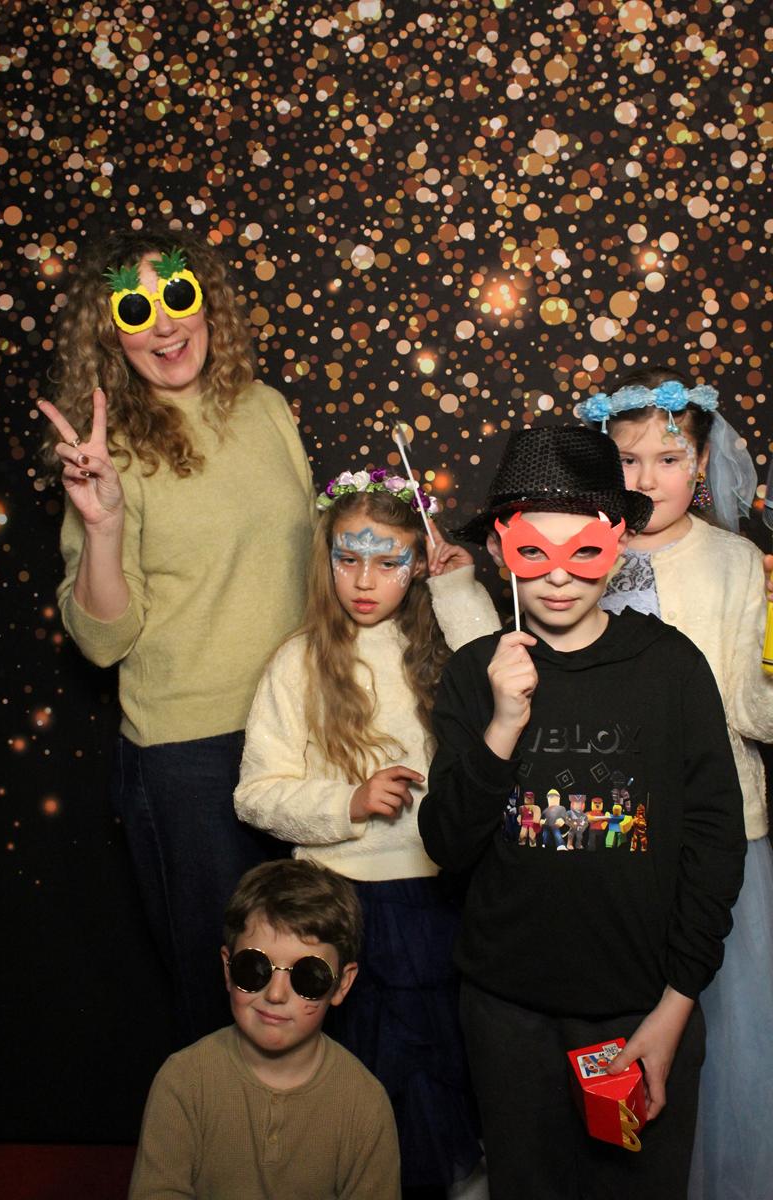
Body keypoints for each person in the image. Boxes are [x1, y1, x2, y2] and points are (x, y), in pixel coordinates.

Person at [418, 425, 747, 1200]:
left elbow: (714, 842)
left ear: (619, 543)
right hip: (509, 1016)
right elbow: (446, 842)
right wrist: (503, 724)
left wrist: (674, 1008)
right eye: (536, 552)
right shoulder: (474, 673)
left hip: (639, 1014)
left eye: (585, 552)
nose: (560, 577)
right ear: (500, 549)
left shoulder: (670, 668)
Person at [38, 228, 315, 1044]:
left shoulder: (264, 408)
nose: (163, 324)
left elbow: (306, 559)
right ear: (110, 334)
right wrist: (103, 525)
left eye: (178, 297)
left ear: (208, 304)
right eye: (135, 309)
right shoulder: (109, 453)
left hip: (300, 733)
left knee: (312, 980)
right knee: (227, 997)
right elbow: (102, 641)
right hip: (191, 757)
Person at [234, 467, 496, 1198]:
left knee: (437, 1070)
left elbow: (502, 677)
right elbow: (255, 794)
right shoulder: (297, 662)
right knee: (360, 1072)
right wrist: (348, 801)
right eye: (347, 558)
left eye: (388, 561)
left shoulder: (439, 649)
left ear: (417, 563)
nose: (364, 580)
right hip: (340, 904)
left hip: (437, 897)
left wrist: (457, 586)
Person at [579, 369, 773, 1200]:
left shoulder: (736, 561)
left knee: (724, 1043)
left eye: (668, 458)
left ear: (700, 464)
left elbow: (752, 712)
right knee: (618, 1034)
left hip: (716, 832)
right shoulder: (577, 553)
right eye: (628, 460)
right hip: (611, 831)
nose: (648, 478)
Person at [128, 858, 401, 1200]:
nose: (275, 994)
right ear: (228, 969)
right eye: (254, 968)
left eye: (308, 976)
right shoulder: (183, 1081)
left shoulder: (365, 1104)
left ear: (341, 985)